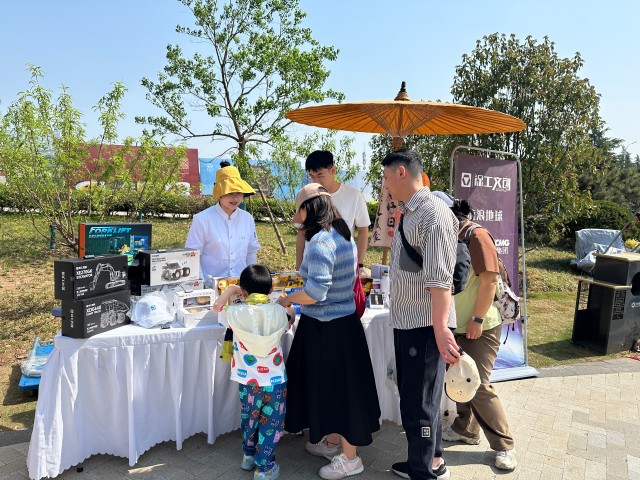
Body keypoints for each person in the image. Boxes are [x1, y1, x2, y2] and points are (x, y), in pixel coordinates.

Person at [278, 183, 380, 480]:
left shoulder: (321, 241)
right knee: (335, 389)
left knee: (340, 392)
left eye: (299, 209)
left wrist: (288, 299)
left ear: (308, 209)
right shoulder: (342, 233)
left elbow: (316, 292)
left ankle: (350, 459)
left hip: (327, 328)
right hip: (342, 325)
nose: (297, 216)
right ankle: (333, 441)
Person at [382, 149, 460, 480]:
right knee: (419, 398)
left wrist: (441, 329)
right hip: (409, 321)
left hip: (425, 325)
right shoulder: (411, 212)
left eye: (386, 177)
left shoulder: (433, 214)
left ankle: (423, 472)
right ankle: (431, 461)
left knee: (420, 404)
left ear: (401, 172)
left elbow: (440, 280)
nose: (385, 185)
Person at [441, 196, 517, 471]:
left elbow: (490, 280)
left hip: (480, 326)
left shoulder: (477, 235)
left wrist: (477, 319)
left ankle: (504, 445)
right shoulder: (448, 236)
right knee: (461, 378)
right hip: (456, 325)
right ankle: (466, 429)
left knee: (480, 385)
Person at [213, 264, 295, 480]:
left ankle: (248, 456)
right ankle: (265, 468)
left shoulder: (235, 313)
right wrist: (287, 305)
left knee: (250, 418)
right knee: (271, 424)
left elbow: (217, 308)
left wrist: (229, 291)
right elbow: (290, 319)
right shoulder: (278, 312)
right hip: (275, 380)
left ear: (243, 292)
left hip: (248, 380)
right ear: (271, 290)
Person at [295, 150, 370, 271]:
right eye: (312, 176)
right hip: (311, 265)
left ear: (333, 170)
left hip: (342, 266)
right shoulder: (306, 196)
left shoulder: (354, 196)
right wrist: (298, 268)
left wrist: (359, 263)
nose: (316, 181)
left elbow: (363, 230)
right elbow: (301, 232)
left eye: (320, 175)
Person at [185, 161, 260, 279]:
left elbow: (251, 252)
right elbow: (192, 254)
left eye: (238, 192)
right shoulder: (202, 219)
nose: (235, 197)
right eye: (229, 192)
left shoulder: (247, 219)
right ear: (219, 193)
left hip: (241, 284)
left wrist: (252, 280)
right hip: (211, 284)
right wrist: (202, 283)